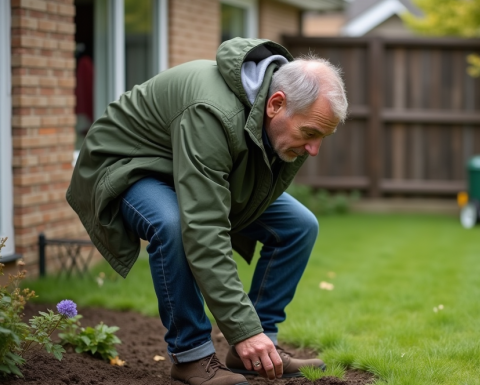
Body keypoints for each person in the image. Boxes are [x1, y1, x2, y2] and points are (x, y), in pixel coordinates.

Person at [66, 38, 348, 385]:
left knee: (299, 225)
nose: (314, 149)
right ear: (276, 104)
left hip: (186, 166)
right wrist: (242, 328)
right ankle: (191, 355)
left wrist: (252, 332)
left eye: (323, 137)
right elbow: (204, 228)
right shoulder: (213, 112)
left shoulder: (278, 115)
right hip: (128, 166)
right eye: (310, 133)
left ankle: (262, 350)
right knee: (174, 224)